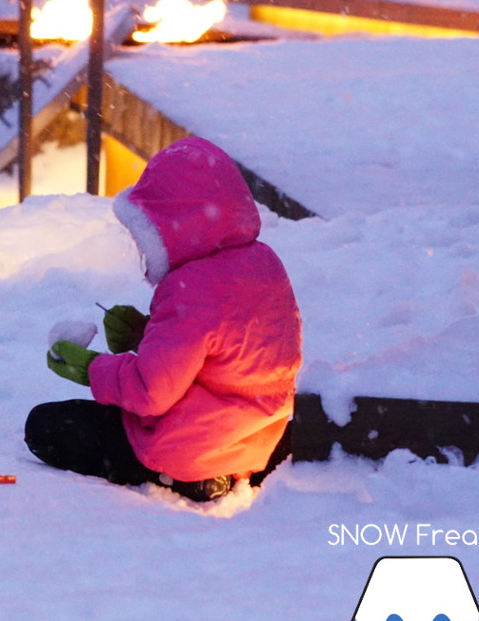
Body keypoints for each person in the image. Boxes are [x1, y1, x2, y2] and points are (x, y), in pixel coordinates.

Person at [30, 137, 303, 502]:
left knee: (46, 426)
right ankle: (224, 471)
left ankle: (185, 479)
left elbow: (151, 392)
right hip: (259, 441)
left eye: (146, 234)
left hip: (191, 447)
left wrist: (91, 369)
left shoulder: (191, 287)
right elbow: (227, 356)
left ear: (170, 227)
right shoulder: (263, 263)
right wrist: (145, 335)